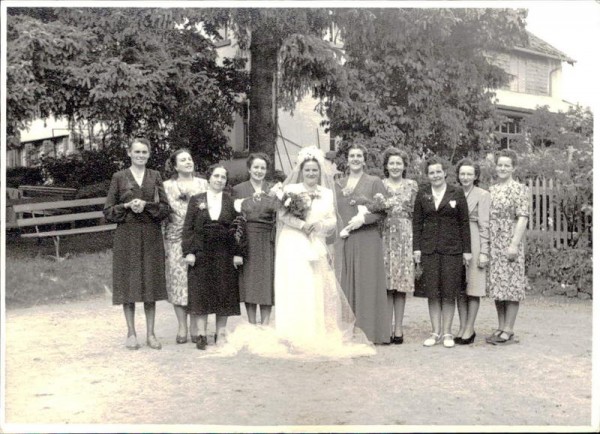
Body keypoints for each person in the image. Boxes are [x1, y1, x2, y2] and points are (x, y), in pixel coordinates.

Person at [273, 146, 374, 357]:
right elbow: (282, 216)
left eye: (315, 170)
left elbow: (332, 221)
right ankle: (291, 333)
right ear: (301, 171)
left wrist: (318, 225)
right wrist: (302, 226)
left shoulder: (327, 193)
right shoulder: (290, 191)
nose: (311, 174)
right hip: (293, 242)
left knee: (314, 285)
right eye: (308, 170)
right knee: (294, 283)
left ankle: (312, 331)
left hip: (314, 242)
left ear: (320, 172)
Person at [104, 137, 170, 350]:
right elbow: (108, 211)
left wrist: (147, 205)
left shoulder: (155, 176)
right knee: (129, 282)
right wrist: (126, 206)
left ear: (149, 155)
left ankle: (151, 334)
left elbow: (165, 208)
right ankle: (131, 333)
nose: (141, 155)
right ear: (129, 153)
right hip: (127, 234)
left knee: (150, 282)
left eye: (144, 152)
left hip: (150, 234)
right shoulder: (119, 177)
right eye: (137, 152)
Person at [182, 164, 246, 350]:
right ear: (208, 178)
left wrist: (237, 253)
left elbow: (239, 228)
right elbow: (188, 228)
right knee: (201, 291)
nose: (219, 180)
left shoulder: (231, 201)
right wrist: (189, 252)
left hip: (224, 252)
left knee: (224, 290)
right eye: (216, 176)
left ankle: (221, 332)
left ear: (226, 181)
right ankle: (201, 333)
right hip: (201, 252)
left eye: (223, 177)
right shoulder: (196, 200)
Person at [413, 156, 471, 348]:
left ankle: (447, 333)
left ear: (445, 172)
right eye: (431, 172)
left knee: (448, 292)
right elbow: (417, 223)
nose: (435, 175)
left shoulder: (457, 192)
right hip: (429, 249)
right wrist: (417, 248)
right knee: (433, 292)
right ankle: (435, 332)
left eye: (438, 171)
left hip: (452, 250)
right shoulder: (422, 194)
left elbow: (464, 223)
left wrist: (467, 251)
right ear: (427, 175)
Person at [335, 143, 391, 345]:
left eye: (359, 156)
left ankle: (370, 332)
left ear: (364, 160)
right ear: (347, 160)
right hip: (346, 238)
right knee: (347, 282)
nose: (356, 159)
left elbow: (383, 210)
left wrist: (364, 220)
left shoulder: (374, 182)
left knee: (367, 283)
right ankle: (349, 332)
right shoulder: (338, 184)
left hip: (368, 238)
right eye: (352, 156)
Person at [162, 149, 208, 344]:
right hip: (175, 238)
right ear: (175, 166)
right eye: (183, 160)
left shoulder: (204, 184)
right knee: (178, 282)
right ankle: (181, 326)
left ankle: (196, 327)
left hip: (199, 238)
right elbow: (163, 213)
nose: (188, 162)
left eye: (190, 158)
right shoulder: (166, 186)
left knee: (198, 281)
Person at [486, 149, 529, 345]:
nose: (502, 168)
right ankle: (501, 326)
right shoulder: (492, 189)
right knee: (498, 284)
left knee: (511, 285)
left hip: (511, 240)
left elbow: (522, 217)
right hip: (495, 241)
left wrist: (514, 244)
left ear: (513, 168)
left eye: (506, 165)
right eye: (500, 165)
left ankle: (509, 329)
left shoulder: (520, 189)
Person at [232, 153, 278, 326]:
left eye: (263, 168)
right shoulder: (239, 189)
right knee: (250, 281)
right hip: (247, 238)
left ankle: (265, 324)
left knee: (267, 280)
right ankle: (251, 324)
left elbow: (279, 215)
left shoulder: (273, 189)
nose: (259, 171)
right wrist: (237, 248)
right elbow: (235, 220)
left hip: (268, 239)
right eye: (256, 167)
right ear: (249, 169)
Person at [381, 147, 418, 344]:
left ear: (404, 166)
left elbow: (418, 214)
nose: (395, 167)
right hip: (384, 236)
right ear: (386, 166)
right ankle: (386, 326)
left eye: (399, 163)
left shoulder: (412, 186)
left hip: (405, 236)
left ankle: (398, 329)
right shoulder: (380, 185)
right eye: (392, 163)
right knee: (387, 285)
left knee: (401, 285)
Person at [454, 158, 490, 345]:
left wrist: (484, 251)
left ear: (475, 176)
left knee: (474, 286)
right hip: (455, 241)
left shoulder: (483, 195)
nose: (466, 177)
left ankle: (470, 327)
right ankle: (462, 326)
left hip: (475, 239)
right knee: (459, 287)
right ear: (458, 175)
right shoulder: (453, 192)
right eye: (462, 173)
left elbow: (485, 224)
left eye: (469, 174)